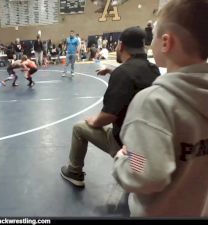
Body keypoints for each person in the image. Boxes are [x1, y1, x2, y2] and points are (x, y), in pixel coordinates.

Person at [113, 0, 208, 217]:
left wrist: (124, 158)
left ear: (166, 42)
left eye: (154, 36)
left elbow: (145, 172)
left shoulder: (154, 102)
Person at [60, 26, 160, 188]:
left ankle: (74, 172)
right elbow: (135, 77)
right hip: (148, 145)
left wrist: (94, 121)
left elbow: (108, 117)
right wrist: (113, 70)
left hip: (126, 145)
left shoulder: (123, 73)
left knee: (79, 128)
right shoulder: (153, 70)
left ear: (120, 46)